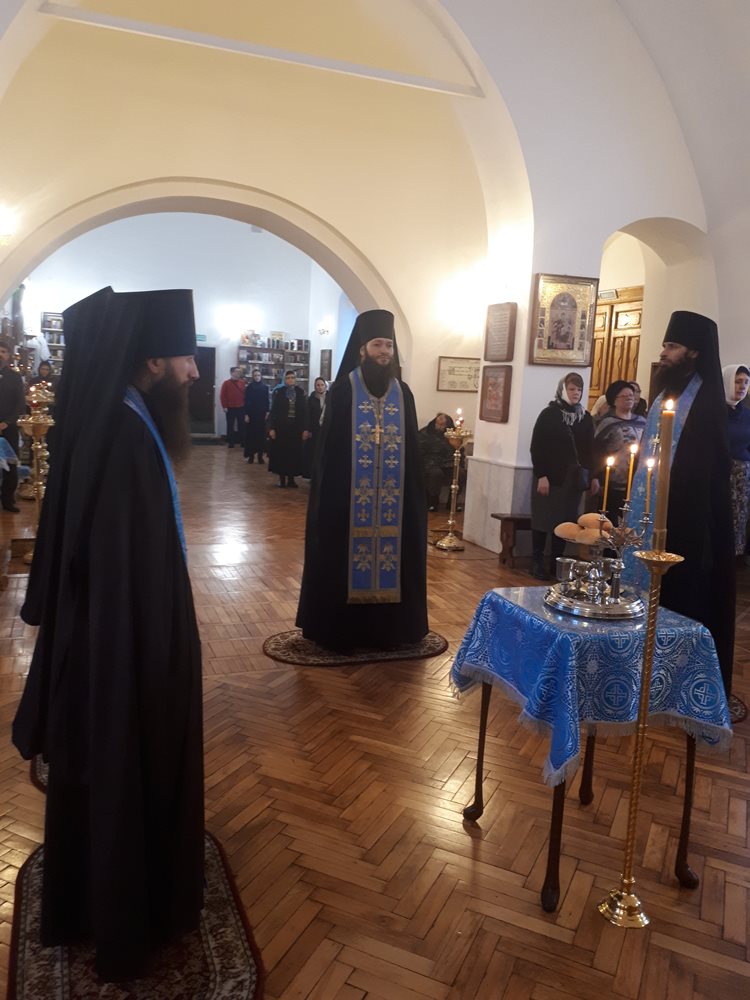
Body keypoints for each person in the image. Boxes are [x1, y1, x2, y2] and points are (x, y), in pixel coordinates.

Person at [12, 286, 205, 981]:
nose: (194, 371)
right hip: (123, 650)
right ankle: (125, 915)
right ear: (153, 360)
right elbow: (123, 574)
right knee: (123, 763)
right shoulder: (124, 434)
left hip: (121, 637)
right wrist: (154, 659)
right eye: (185, 357)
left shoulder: (128, 416)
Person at [296, 309, 428, 650]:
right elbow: (328, 456)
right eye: (377, 344)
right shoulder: (343, 391)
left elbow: (413, 453)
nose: (384, 351)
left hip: (395, 506)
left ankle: (393, 632)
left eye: (389, 345)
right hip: (348, 502)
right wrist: (332, 502)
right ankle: (343, 633)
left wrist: (415, 501)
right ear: (362, 349)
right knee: (342, 562)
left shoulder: (404, 394)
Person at [623, 311, 736, 704]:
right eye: (665, 345)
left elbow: (708, 472)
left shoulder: (706, 403)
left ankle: (672, 678)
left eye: (672, 346)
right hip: (649, 511)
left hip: (686, 523)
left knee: (681, 597)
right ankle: (635, 662)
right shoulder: (665, 394)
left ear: (694, 351)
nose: (664, 352)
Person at [530, 371, 600, 580]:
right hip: (550, 477)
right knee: (543, 519)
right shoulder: (549, 414)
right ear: (562, 390)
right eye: (571, 389)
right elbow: (537, 446)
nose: (576, 393)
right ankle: (536, 562)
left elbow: (590, 450)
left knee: (565, 521)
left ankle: (557, 564)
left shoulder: (585, 418)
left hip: (574, 479)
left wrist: (594, 476)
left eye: (579, 389)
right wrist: (541, 475)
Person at [593, 380, 647, 524]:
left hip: (636, 482)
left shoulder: (642, 421)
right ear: (614, 400)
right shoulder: (608, 423)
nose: (629, 398)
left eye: (631, 395)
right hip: (613, 482)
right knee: (610, 523)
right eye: (624, 396)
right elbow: (597, 451)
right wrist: (596, 477)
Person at [723, 363, 750, 560]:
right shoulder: (714, 412)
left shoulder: (747, 413)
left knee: (740, 518)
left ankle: (735, 556)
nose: (742, 386)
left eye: (746, 382)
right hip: (721, 474)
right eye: (737, 381)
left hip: (743, 476)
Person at [268, 369, 309, 487]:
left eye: (292, 378)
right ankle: (282, 479)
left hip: (296, 428)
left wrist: (305, 429)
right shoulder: (279, 392)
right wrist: (271, 428)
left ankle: (291, 479)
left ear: (295, 379)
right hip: (281, 428)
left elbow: (305, 412)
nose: (290, 380)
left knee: (293, 453)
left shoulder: (300, 392)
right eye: (288, 378)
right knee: (281, 453)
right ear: (284, 379)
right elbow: (273, 411)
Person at [419, 412, 466, 511]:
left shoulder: (453, 434)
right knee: (435, 474)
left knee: (460, 473)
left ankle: (452, 503)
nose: (440, 426)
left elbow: (459, 450)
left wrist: (459, 464)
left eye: (443, 424)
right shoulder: (425, 432)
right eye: (438, 423)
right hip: (431, 462)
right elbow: (420, 450)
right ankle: (432, 503)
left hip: (448, 462)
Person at [0, 338, 26, 512]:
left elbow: (20, 404)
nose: (0, 355)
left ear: (9, 355)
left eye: (3, 352)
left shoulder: (15, 377)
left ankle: (8, 500)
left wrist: (6, 422)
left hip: (8, 427)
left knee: (10, 465)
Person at [243, 367, 270, 464]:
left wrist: (267, 412)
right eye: (255, 375)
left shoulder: (265, 387)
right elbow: (246, 401)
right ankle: (251, 456)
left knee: (261, 436)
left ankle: (260, 456)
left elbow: (267, 401)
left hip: (261, 415)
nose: (257, 377)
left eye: (258, 375)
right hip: (251, 415)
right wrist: (246, 414)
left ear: (261, 376)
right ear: (252, 377)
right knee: (251, 436)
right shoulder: (249, 388)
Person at [302, 376, 327, 478]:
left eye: (322, 385)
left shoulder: (330, 398)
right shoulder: (310, 399)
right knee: (313, 454)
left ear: (325, 386)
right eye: (318, 385)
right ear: (315, 386)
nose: (320, 387)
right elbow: (307, 415)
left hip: (326, 431)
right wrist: (306, 429)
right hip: (314, 431)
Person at [219, 365, 245, 447]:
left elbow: (245, 395)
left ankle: (242, 442)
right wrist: (224, 406)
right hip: (230, 408)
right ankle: (231, 442)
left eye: (239, 372)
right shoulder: (226, 383)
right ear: (231, 373)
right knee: (230, 425)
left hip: (241, 407)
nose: (238, 373)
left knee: (242, 425)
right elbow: (222, 395)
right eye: (236, 372)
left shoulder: (242, 382)